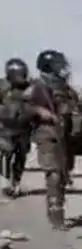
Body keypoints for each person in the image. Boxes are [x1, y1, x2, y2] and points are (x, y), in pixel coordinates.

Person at [26, 49, 80, 230]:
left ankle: (58, 206)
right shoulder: (37, 86)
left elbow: (77, 109)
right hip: (47, 134)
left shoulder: (66, 88)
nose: (62, 68)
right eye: (58, 65)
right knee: (54, 174)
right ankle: (56, 212)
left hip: (65, 136)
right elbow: (23, 108)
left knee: (63, 174)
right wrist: (41, 112)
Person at [0, 58, 33, 198]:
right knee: (5, 155)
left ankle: (16, 182)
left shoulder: (30, 88)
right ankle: (5, 182)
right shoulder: (2, 86)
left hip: (24, 128)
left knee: (21, 157)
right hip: (5, 128)